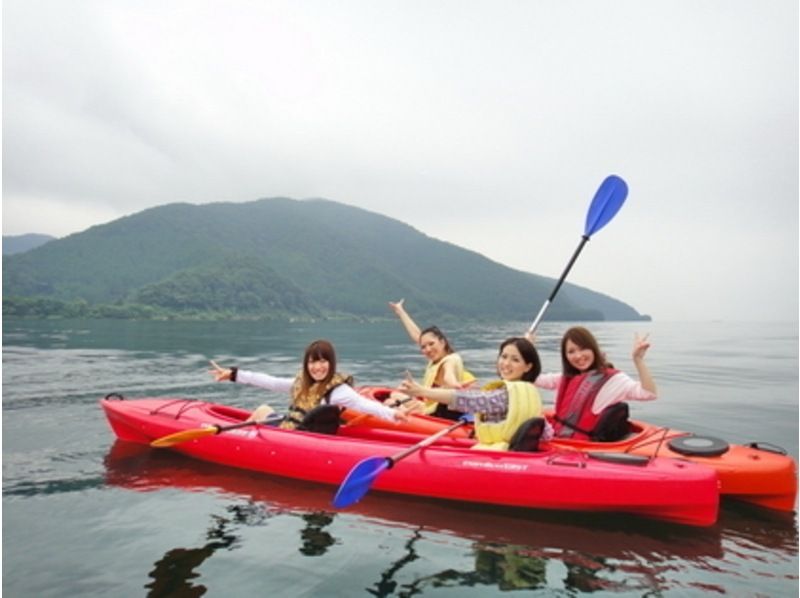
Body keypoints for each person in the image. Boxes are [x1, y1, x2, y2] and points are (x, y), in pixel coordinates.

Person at [210, 339, 408, 432]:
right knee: (263, 410)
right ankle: (239, 439)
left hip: (299, 438)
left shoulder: (338, 391)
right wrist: (234, 374)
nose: (317, 367)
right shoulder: (301, 384)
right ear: (306, 364)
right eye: (312, 362)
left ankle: (237, 440)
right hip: (291, 430)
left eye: (323, 361)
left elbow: (364, 404)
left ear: (331, 363)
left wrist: (393, 414)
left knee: (262, 411)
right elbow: (271, 382)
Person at [398, 337, 543, 451]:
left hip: (498, 454)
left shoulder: (504, 396)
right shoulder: (529, 391)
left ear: (528, 367)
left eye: (515, 360)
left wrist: (422, 391)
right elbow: (545, 431)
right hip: (507, 448)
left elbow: (467, 400)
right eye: (504, 357)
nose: (506, 363)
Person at [535, 326, 656, 440]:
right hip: (559, 440)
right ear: (565, 356)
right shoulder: (564, 378)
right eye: (571, 352)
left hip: (584, 447)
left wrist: (638, 360)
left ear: (593, 349)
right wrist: (528, 349)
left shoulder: (614, 380)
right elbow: (533, 378)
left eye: (583, 348)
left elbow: (648, 393)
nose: (578, 356)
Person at [388, 298, 475, 420]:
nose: (427, 349)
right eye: (423, 347)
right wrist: (400, 311)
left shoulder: (451, 360)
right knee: (394, 394)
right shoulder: (436, 359)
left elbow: (448, 375)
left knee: (389, 403)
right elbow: (417, 336)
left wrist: (453, 384)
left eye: (431, 344)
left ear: (442, 342)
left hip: (439, 413)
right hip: (430, 405)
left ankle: (404, 418)